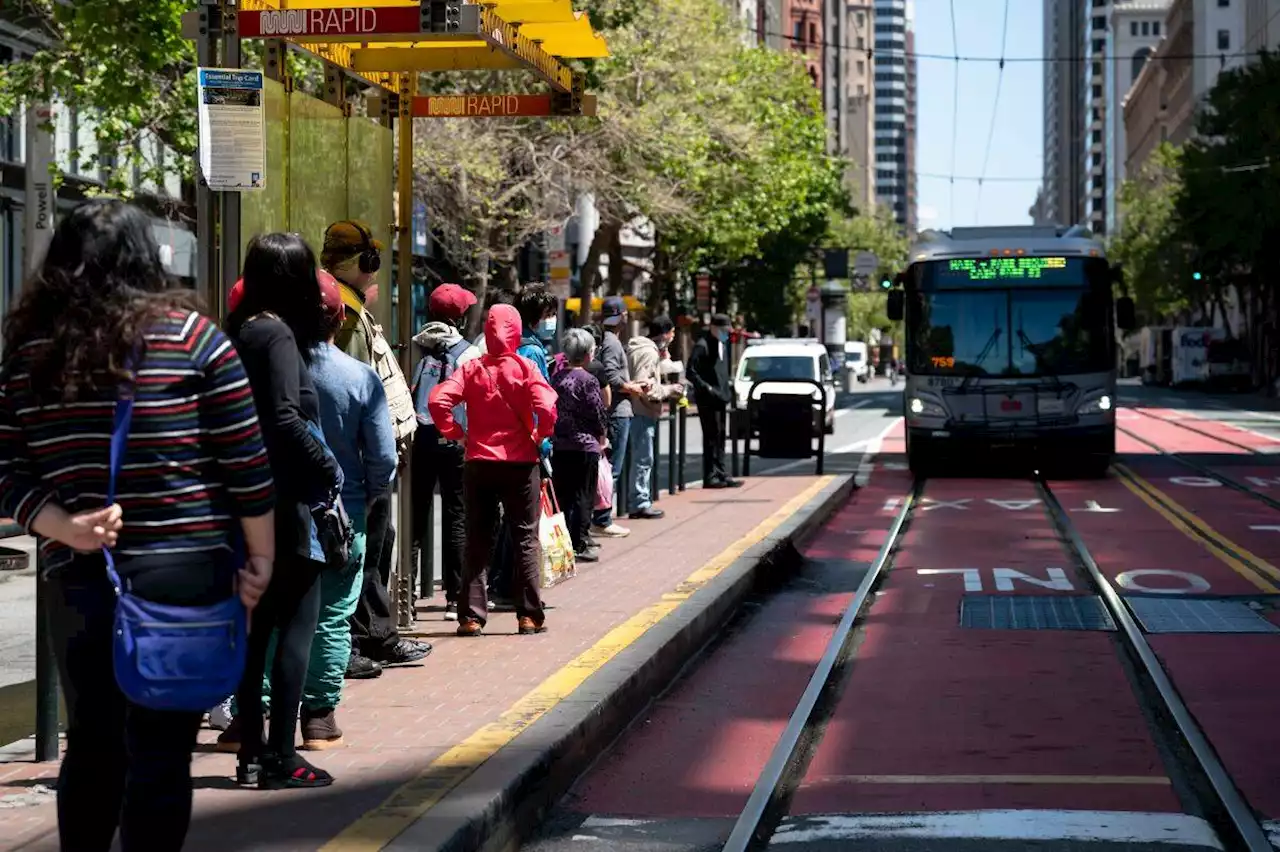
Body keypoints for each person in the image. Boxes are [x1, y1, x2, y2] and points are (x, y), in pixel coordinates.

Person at [0, 198, 275, 850]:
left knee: (92, 746)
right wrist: (260, 558)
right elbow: (246, 460)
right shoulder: (195, 339)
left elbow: (6, 466)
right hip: (185, 571)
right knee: (161, 754)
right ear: (146, 260)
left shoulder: (33, 351)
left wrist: (61, 525)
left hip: (82, 574)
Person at [227, 233, 345, 789]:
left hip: (247, 503)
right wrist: (329, 467)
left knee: (253, 637)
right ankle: (279, 756)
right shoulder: (276, 334)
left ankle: (252, 752)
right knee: (297, 629)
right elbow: (284, 417)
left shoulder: (243, 331)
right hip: (286, 504)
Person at [320, 220, 429, 672]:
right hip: (363, 460)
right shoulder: (343, 312)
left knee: (377, 546)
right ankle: (363, 640)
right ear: (360, 263)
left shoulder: (351, 307)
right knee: (366, 551)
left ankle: (374, 635)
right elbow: (357, 392)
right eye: (371, 259)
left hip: (367, 457)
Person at [300, 272, 398, 749]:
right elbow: (383, 456)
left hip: (277, 513)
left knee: (276, 613)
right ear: (340, 319)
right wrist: (369, 493)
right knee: (334, 614)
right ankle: (318, 717)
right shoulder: (358, 377)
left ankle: (259, 709)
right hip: (344, 514)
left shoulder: (267, 372)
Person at [428, 304, 558, 637]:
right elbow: (546, 406)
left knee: (477, 539)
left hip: (478, 462)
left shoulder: (471, 368)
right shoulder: (526, 367)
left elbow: (438, 400)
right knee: (525, 539)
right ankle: (529, 615)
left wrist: (455, 433)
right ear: (515, 331)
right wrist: (540, 434)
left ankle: (471, 617)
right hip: (520, 465)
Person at [411, 284, 481, 621]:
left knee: (415, 512)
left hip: (421, 436)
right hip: (455, 440)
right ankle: (455, 597)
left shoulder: (415, 346)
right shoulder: (469, 353)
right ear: (460, 317)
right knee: (456, 514)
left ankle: (405, 595)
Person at [551, 329, 608, 563]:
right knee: (583, 496)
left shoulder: (556, 378)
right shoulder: (588, 380)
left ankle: (563, 542)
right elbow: (597, 412)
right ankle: (580, 542)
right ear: (587, 354)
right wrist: (603, 432)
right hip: (585, 445)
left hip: (561, 444)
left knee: (563, 496)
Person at [592, 296, 648, 537]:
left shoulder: (606, 340)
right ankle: (603, 519)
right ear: (621, 316)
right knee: (611, 469)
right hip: (618, 412)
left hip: (615, 410)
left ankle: (602, 516)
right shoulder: (613, 343)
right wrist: (632, 387)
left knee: (608, 467)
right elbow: (612, 378)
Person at [626, 316, 685, 519]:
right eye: (672, 333)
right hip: (641, 411)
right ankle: (640, 503)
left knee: (638, 459)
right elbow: (645, 386)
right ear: (665, 334)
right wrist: (669, 389)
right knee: (643, 459)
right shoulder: (647, 352)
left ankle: (636, 502)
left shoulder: (643, 348)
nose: (673, 338)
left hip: (636, 411)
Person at [688, 313, 742, 489]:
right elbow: (691, 371)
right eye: (723, 330)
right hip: (708, 400)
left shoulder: (722, 344)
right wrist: (707, 388)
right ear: (713, 328)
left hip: (720, 398)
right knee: (711, 438)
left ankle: (721, 472)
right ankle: (710, 476)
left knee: (720, 437)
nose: (726, 334)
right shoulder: (702, 345)